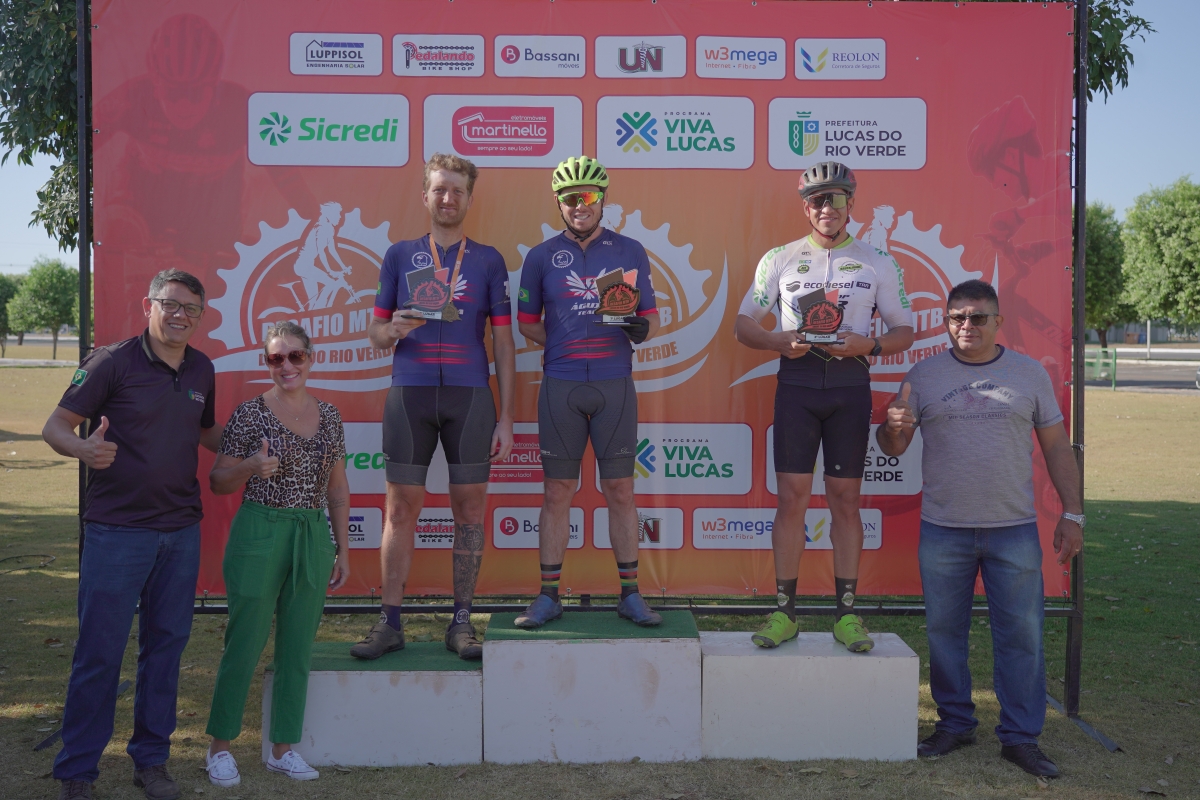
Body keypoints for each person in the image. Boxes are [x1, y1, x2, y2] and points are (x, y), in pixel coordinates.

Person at [877, 279, 1082, 778]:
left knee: (1023, 637)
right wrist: (893, 425)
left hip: (1013, 529)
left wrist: (1073, 513)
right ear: (947, 322)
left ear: (998, 322)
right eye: (957, 317)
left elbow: (1058, 446)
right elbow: (893, 447)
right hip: (944, 529)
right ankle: (955, 723)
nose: (967, 325)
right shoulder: (923, 375)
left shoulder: (1028, 373)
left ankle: (1020, 737)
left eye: (978, 317)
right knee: (945, 633)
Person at [42, 269, 221, 800]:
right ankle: (78, 770)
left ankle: (152, 762)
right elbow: (54, 426)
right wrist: (82, 449)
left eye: (192, 308)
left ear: (200, 315)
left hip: (180, 531)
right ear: (149, 305)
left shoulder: (202, 368)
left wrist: (254, 446)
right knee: (99, 653)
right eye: (172, 304)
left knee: (164, 652)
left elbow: (205, 430)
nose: (181, 315)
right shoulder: (110, 361)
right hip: (116, 533)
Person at [733, 161, 915, 651]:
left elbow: (903, 329)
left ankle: (847, 615)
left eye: (835, 199)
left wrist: (870, 346)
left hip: (849, 389)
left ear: (850, 204)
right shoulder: (780, 258)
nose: (826, 208)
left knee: (846, 502)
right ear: (805, 207)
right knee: (791, 499)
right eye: (816, 200)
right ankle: (784, 612)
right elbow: (743, 323)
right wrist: (776, 340)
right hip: (796, 386)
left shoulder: (878, 261)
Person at [350, 153, 514, 661]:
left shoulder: (488, 260)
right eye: (440, 189)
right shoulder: (400, 256)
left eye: (457, 190)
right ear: (425, 196)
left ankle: (462, 622)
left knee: (470, 510)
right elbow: (375, 333)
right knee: (399, 509)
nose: (448, 198)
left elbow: (504, 342)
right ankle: (389, 622)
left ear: (469, 199)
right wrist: (392, 329)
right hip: (410, 393)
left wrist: (508, 416)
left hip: (471, 396)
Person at [513, 155, 661, 628]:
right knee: (558, 490)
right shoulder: (540, 257)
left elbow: (651, 318)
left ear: (603, 200)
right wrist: (563, 344)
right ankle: (548, 596)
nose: (581, 205)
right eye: (571, 197)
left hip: (614, 383)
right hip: (562, 384)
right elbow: (527, 323)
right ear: (559, 203)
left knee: (620, 488)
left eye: (590, 196)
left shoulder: (630, 250)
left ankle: (631, 594)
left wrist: (640, 328)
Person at [203, 321, 351, 786]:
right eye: (275, 358)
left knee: (297, 646)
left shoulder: (330, 416)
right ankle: (220, 747)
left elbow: (338, 489)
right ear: (266, 363)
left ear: (311, 357)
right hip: (260, 530)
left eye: (295, 355)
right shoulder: (250, 414)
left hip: (311, 533)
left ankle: (283, 749)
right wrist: (251, 465)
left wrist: (343, 549)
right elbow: (218, 480)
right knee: (244, 641)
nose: (286, 365)